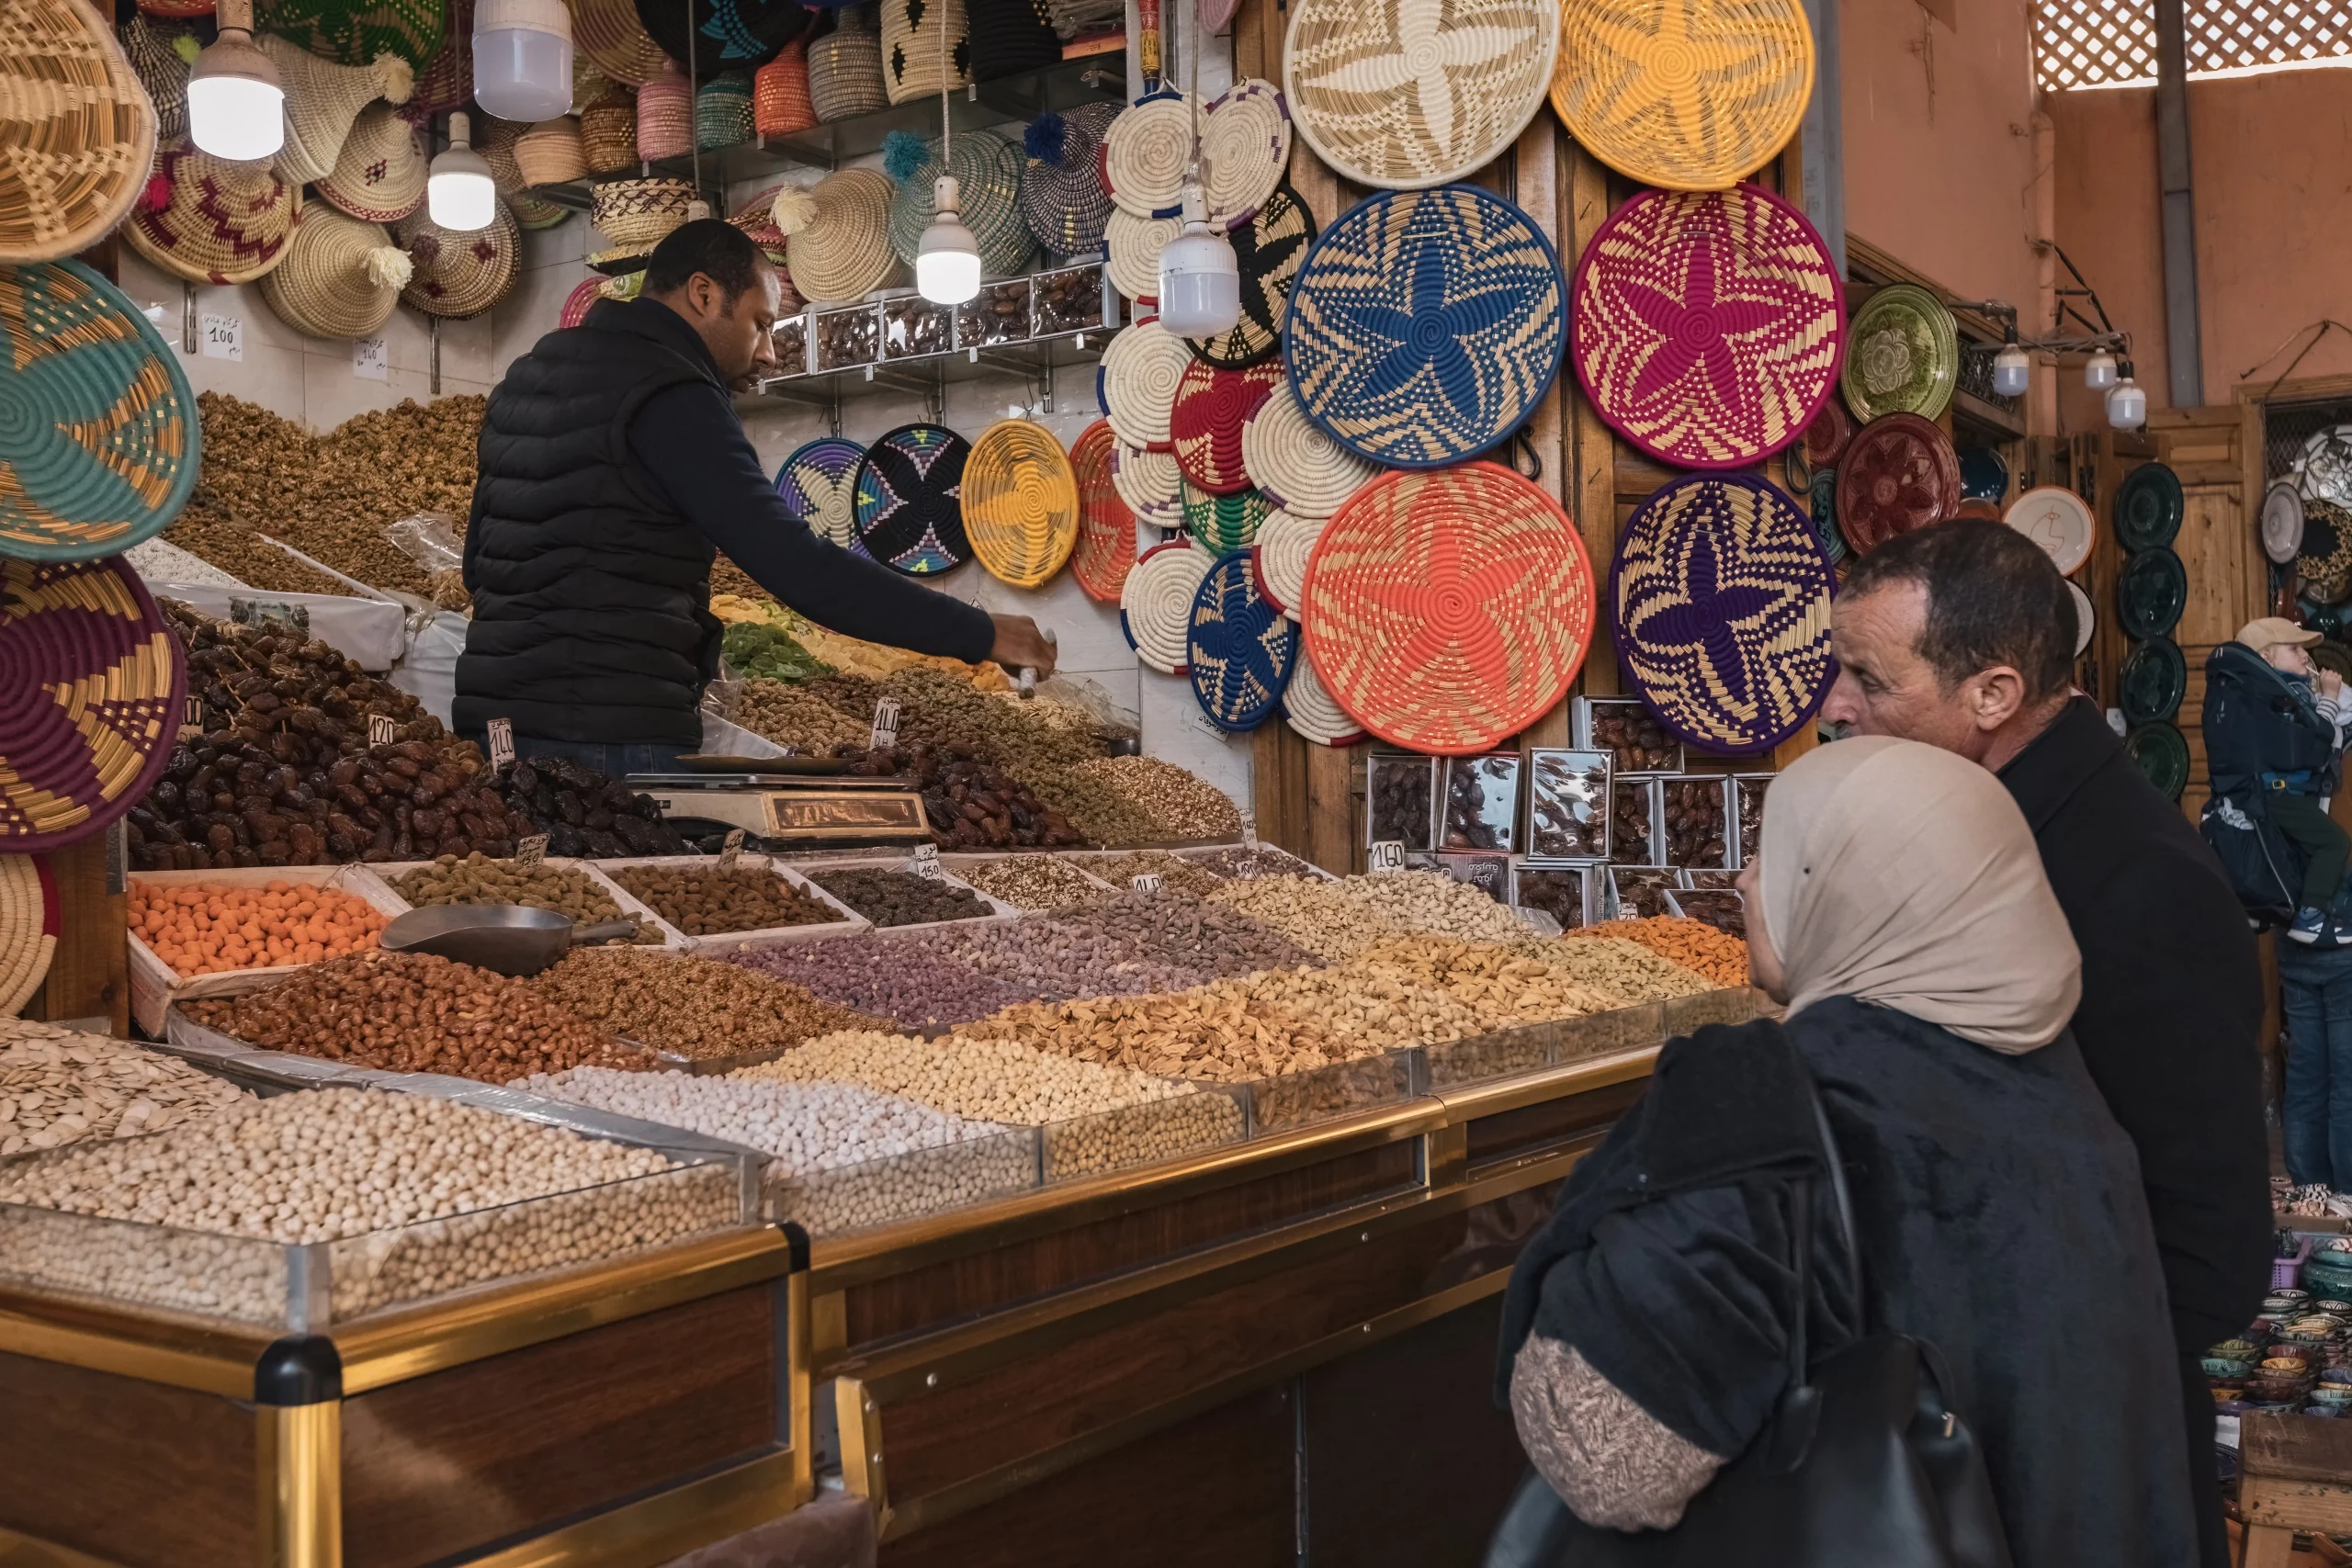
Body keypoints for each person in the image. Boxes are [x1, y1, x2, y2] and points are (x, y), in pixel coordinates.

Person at [1494, 738, 2196, 1566]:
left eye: (1779, 857)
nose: (1746, 880)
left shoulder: (1773, 1102)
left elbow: (1609, 1456)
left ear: (1852, 893)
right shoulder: (2061, 1090)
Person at [1820, 517, 2267, 1568]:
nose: (1835, 707)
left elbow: (2211, 1260)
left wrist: (1998, 1353)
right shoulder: (1974, 827)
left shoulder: (2132, 879)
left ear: (1993, 695)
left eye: (1868, 679)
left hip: (2081, 1464)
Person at [456, 219, 1057, 773]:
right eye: (761, 323)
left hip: (495, 726)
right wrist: (981, 633)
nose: (768, 352)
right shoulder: (673, 392)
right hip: (609, 731)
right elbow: (798, 567)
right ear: (703, 294)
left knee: (535, 889)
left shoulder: (525, 379)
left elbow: (479, 561)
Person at [2205, 617, 2350, 944]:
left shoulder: (2240, 694)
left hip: (2252, 796)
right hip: (2280, 796)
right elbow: (2312, 743)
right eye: (2295, 648)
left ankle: (2256, 906)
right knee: (2334, 842)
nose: (2305, 656)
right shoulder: (2286, 696)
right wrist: (2328, 698)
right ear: (2267, 658)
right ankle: (2310, 917)